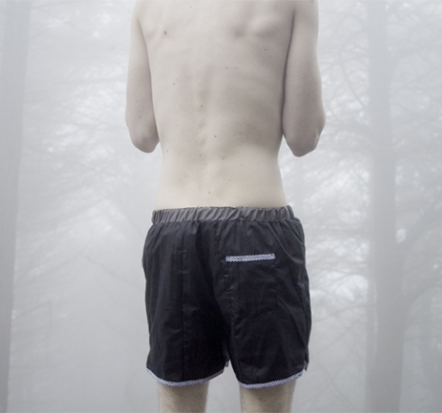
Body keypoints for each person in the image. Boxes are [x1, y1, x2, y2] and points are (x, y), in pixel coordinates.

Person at [126, 0, 324, 412]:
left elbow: (142, 133)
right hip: (256, 228)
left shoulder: (148, 7)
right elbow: (303, 136)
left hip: (173, 230)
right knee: (265, 400)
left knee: (177, 400)